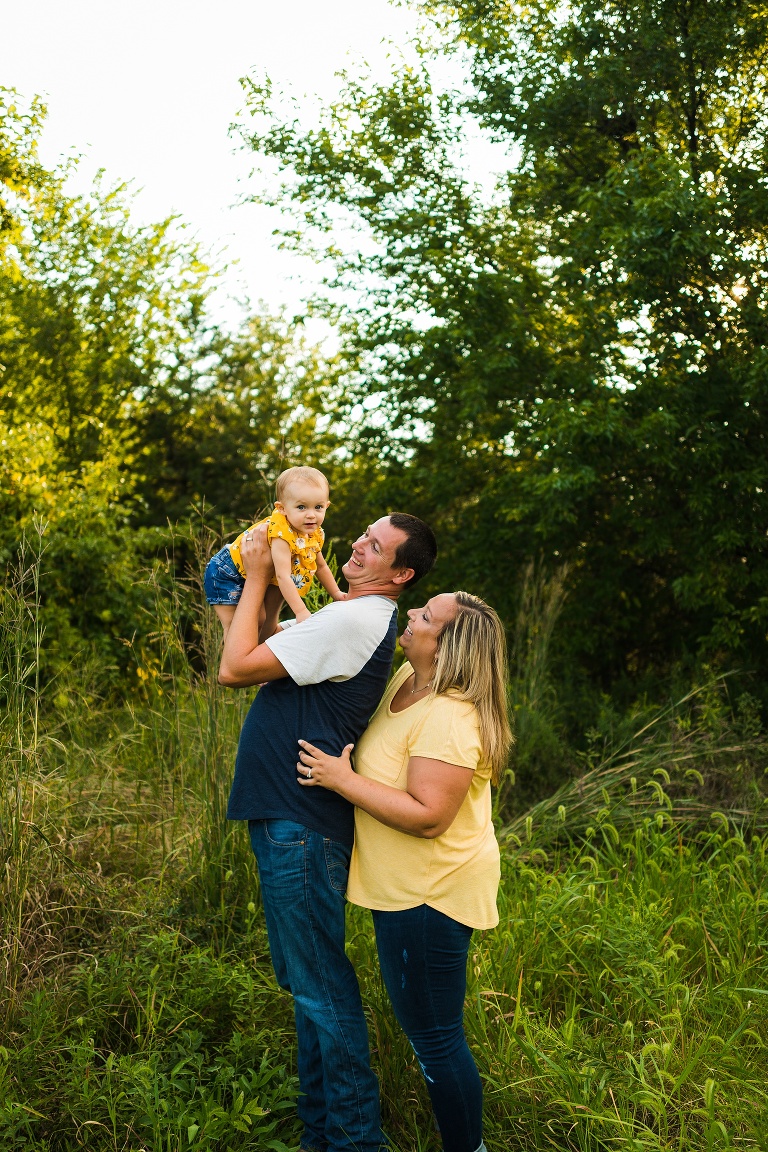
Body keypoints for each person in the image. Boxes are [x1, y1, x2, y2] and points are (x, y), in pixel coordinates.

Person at [218, 512, 438, 1152]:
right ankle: (326, 1132)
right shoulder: (350, 619)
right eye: (363, 536)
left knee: (320, 987)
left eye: (375, 547)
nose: (357, 546)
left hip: (301, 827)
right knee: (307, 983)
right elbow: (262, 650)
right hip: (292, 820)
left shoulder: (356, 618)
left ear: (400, 574)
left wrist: (259, 572)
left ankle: (352, 1140)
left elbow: (234, 669)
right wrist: (256, 586)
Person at [296, 591, 513, 1152]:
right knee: (430, 1032)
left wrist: (341, 780)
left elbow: (429, 816)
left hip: (431, 895)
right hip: (405, 891)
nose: (411, 615)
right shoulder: (408, 684)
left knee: (435, 1039)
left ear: (448, 648)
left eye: (425, 617)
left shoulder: (451, 716)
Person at [204, 466, 346, 641]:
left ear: (327, 506)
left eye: (318, 507)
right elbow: (283, 576)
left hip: (247, 572)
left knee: (263, 622)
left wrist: (337, 594)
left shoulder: (313, 533)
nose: (311, 515)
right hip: (226, 572)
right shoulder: (281, 534)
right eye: (301, 507)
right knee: (237, 625)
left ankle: (251, 659)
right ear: (282, 508)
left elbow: (321, 566)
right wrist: (301, 611)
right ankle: (232, 663)